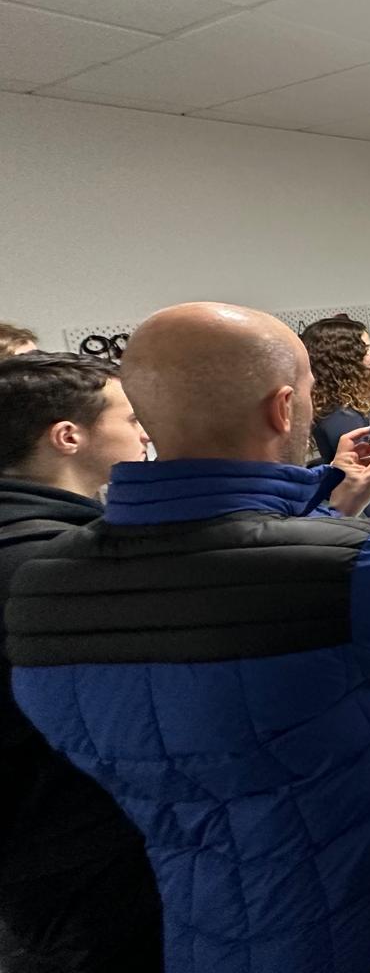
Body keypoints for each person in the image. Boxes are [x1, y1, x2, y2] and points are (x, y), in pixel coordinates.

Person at [5, 302, 370, 973]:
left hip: (202, 919)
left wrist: (326, 494)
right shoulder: (352, 567)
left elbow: (222, 557)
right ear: (285, 408)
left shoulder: (43, 587)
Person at [0, 353, 161, 972]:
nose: (144, 432)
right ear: (69, 436)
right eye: (129, 417)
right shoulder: (57, 566)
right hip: (94, 866)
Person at [303, 316, 370, 521]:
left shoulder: (336, 407)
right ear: (345, 359)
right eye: (366, 348)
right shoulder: (342, 416)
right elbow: (362, 482)